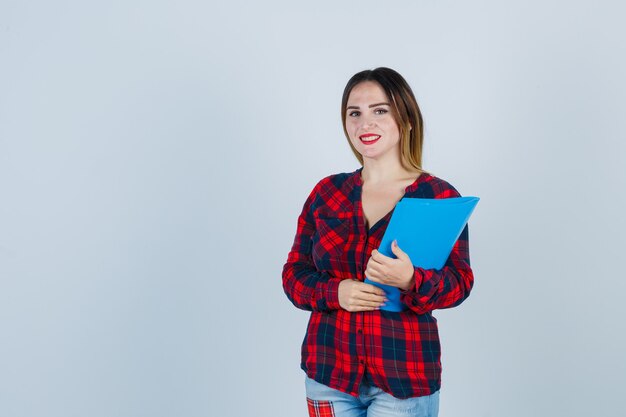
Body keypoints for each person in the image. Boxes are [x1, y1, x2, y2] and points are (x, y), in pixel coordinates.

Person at [282, 67, 474, 417]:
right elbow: (294, 275)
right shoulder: (327, 193)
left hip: (403, 381)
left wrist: (411, 280)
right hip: (329, 375)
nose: (364, 123)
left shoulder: (440, 197)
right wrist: (335, 292)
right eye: (354, 113)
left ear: (407, 119)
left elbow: (460, 284)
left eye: (380, 111)